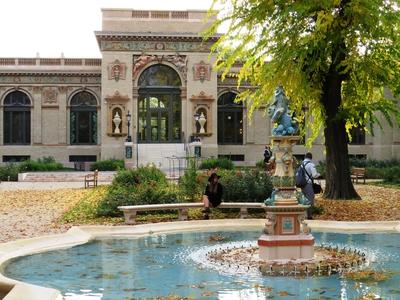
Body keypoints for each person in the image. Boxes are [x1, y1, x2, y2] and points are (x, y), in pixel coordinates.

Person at [301, 152, 320, 220]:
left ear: (305, 157)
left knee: (303, 200)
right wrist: (319, 174)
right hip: (308, 184)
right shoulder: (311, 164)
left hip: (302, 184)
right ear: (311, 158)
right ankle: (309, 216)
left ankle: (303, 215)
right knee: (310, 200)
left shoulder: (301, 164)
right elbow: (314, 175)